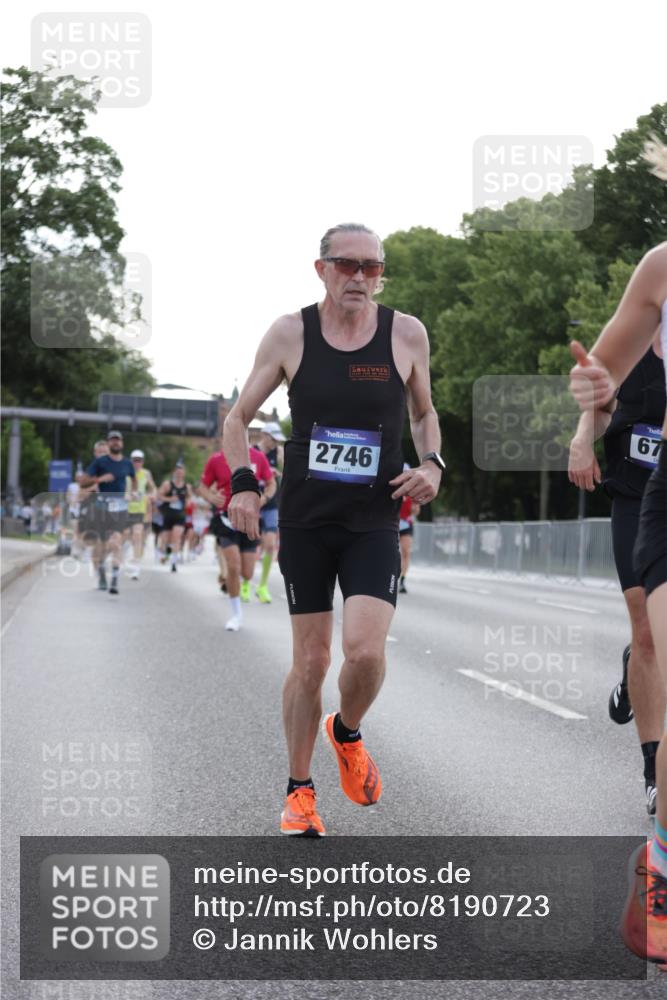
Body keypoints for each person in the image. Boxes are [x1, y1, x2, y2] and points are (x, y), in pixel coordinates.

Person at [224, 222, 445, 836]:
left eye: (373, 267)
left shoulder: (406, 333)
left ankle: (345, 731)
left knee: (367, 654)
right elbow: (238, 419)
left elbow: (425, 414)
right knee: (312, 660)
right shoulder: (290, 333)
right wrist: (244, 481)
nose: (361, 276)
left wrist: (432, 463)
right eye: (348, 264)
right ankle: (300, 791)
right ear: (320, 268)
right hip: (307, 521)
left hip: (374, 519)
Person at [569, 134, 667, 967]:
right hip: (645, 494)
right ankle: (660, 843)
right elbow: (596, 373)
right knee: (648, 639)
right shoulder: (660, 271)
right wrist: (586, 417)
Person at [568, 333, 666, 815]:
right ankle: (654, 773)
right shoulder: (638, 341)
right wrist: (583, 438)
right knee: (646, 627)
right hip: (636, 497)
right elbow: (600, 403)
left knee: (653, 633)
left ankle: (633, 670)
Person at [199, 444, 275, 631]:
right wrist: (210, 497)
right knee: (233, 566)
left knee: (247, 573)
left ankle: (238, 584)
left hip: (250, 519)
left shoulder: (258, 457)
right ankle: (236, 614)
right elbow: (202, 487)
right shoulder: (217, 459)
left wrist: (264, 498)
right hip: (226, 518)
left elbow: (272, 482)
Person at [78, 430, 136, 595]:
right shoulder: (100, 462)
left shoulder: (127, 464)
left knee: (116, 542)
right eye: (112, 440)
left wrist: (133, 493)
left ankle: (115, 580)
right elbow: (82, 482)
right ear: (108, 443)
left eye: (118, 440)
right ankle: (101, 571)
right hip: (101, 509)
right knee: (101, 546)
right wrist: (99, 480)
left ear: (122, 443)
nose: (115, 443)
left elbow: (134, 480)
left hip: (120, 509)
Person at [255, 421, 285, 603]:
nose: (275, 443)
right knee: (248, 545)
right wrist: (265, 471)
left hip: (271, 502)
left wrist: (280, 464)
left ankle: (262, 585)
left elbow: (288, 468)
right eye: (273, 439)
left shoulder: (278, 451)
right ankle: (244, 582)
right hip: (253, 502)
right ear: (264, 436)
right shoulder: (251, 451)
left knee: (270, 544)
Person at [126, 450, 156, 580]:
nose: (137, 463)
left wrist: (151, 496)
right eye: (135, 460)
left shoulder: (146, 474)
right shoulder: (125, 473)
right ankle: (126, 558)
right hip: (125, 509)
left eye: (139, 460)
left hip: (139, 510)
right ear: (131, 461)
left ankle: (136, 567)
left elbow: (153, 488)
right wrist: (126, 495)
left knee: (137, 535)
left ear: (143, 462)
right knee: (126, 537)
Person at [157, 462, 192, 573]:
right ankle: (168, 551)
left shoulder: (187, 486)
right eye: (177, 470)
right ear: (174, 472)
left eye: (181, 470)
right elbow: (159, 495)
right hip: (168, 516)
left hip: (180, 516)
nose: (179, 473)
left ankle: (173, 563)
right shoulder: (168, 484)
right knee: (166, 540)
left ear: (184, 473)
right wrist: (169, 499)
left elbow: (190, 498)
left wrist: (187, 502)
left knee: (176, 538)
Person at [398, 468, 420, 594]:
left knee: (406, 551)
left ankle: (402, 581)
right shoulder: (391, 486)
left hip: (406, 523)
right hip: (391, 523)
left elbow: (416, 511)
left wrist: (415, 507)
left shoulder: (413, 490)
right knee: (391, 552)